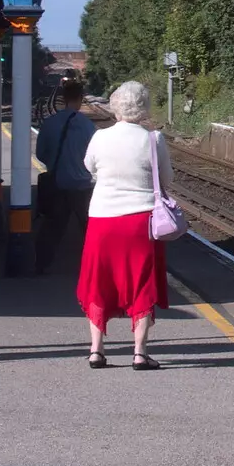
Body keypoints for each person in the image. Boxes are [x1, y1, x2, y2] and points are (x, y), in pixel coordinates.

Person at [76, 82, 172, 371]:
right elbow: (166, 181)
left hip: (102, 219)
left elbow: (89, 168)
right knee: (142, 281)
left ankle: (96, 350)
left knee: (98, 280)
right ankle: (140, 353)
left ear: (115, 106)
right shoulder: (154, 139)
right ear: (144, 108)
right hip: (140, 222)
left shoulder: (99, 137)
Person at [34, 81, 97, 274]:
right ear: (80, 99)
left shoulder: (50, 123)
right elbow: (95, 158)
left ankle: (40, 266)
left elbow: (40, 153)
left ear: (63, 98)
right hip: (83, 186)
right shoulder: (88, 126)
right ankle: (93, 268)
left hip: (58, 183)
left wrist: (56, 164)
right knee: (89, 228)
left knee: (53, 226)